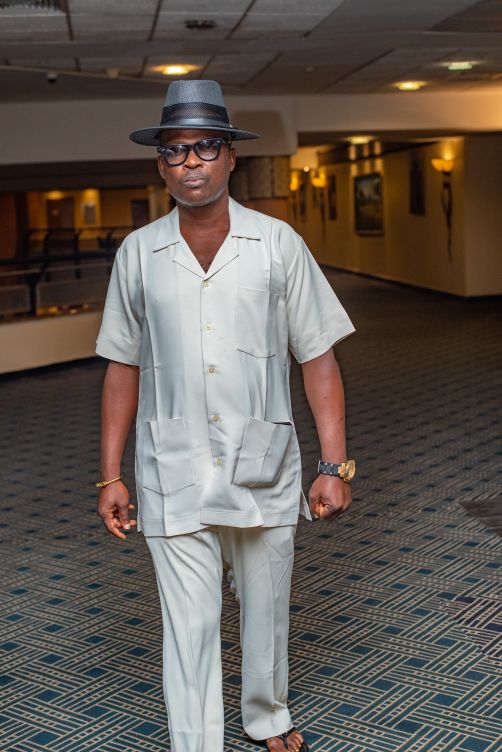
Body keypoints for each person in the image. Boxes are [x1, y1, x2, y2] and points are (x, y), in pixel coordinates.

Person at [95, 80, 356, 752]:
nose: (191, 162)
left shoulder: (277, 244)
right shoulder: (138, 254)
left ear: (231, 156)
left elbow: (318, 357)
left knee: (266, 611)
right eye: (175, 150)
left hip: (262, 464)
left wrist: (334, 465)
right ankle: (197, 743)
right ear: (161, 164)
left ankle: (267, 716)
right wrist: (110, 474)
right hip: (172, 467)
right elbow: (121, 365)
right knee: (188, 625)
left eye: (206, 147)